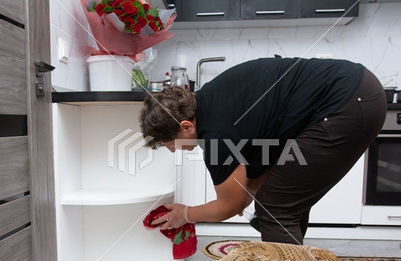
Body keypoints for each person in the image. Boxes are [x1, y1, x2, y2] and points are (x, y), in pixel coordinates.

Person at [139, 57, 386, 245]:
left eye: (170, 144)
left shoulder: (216, 137)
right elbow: (266, 152)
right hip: (359, 90)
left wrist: (186, 213)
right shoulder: (210, 101)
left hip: (347, 104)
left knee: (275, 209)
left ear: (186, 126)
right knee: (284, 200)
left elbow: (230, 206)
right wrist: (248, 193)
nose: (173, 151)